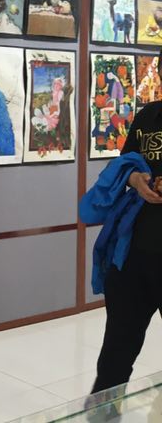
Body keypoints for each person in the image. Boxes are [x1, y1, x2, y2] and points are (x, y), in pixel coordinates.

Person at [89, 74, 162, 395]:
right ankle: (103, 413)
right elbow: (126, 164)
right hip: (133, 252)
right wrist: (135, 179)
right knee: (116, 354)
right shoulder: (149, 115)